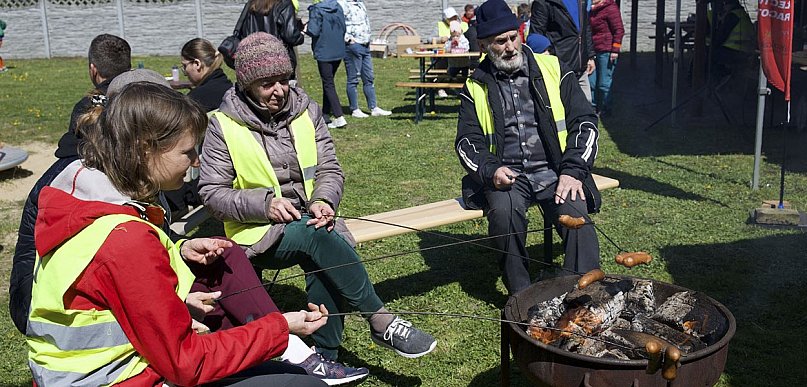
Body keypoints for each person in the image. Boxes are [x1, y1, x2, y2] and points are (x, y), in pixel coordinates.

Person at [27, 80, 331, 387]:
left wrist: (178, 302)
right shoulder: (125, 238)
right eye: (187, 152)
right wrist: (281, 326)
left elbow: (105, 300)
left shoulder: (82, 198)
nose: (196, 161)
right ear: (145, 149)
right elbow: (188, 364)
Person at [198, 32, 438, 361]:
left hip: (311, 221)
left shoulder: (306, 110)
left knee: (321, 245)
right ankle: (380, 320)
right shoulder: (222, 125)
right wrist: (265, 204)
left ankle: (326, 358)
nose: (279, 91)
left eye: (284, 79)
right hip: (256, 233)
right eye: (268, 83)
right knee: (319, 236)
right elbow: (211, 194)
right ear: (247, 83)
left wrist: (323, 200)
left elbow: (329, 169)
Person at [455, 0, 601, 295]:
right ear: (483, 45)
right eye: (500, 42)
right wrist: (491, 169)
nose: (510, 47)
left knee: (578, 219)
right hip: (509, 179)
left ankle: (579, 293)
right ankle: (522, 296)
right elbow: (467, 141)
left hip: (556, 172)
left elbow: (585, 122)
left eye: (513, 37)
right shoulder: (475, 86)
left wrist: (573, 171)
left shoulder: (554, 68)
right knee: (503, 214)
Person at [9, 33, 131, 335]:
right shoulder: (96, 183)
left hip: (36, 312)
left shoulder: (56, 180)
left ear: (93, 69)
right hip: (63, 328)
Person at [54, 34, 131, 159]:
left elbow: (70, 152)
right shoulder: (143, 97)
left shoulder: (87, 106)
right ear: (129, 67)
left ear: (93, 69)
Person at [530, 0, 597, 102]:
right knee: (564, 112)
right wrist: (549, 53)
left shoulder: (580, 1)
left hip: (581, 68)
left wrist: (590, 55)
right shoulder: (544, 2)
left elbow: (585, 28)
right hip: (560, 70)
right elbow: (536, 34)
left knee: (587, 107)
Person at [337, 0, 393, 118]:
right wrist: (348, 39)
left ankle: (373, 107)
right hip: (353, 46)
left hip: (365, 44)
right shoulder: (342, 4)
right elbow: (338, 24)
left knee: (369, 77)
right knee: (353, 78)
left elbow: (365, 22)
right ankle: (355, 109)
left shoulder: (360, 3)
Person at [307, 0, 348, 129]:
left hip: (324, 51)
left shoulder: (316, 9)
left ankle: (339, 116)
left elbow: (313, 30)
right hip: (338, 50)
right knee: (328, 81)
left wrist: (304, 28)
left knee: (328, 83)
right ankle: (325, 114)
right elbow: (344, 28)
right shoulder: (338, 6)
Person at [242, 0, 305, 78]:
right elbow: (291, 36)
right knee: (281, 87)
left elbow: (242, 32)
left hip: (254, 59)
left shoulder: (252, 3)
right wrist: (301, 34)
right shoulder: (284, 3)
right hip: (279, 59)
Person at [587, 0, 624, 116]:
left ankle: (605, 107)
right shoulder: (590, 10)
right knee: (591, 81)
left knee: (604, 83)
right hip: (592, 50)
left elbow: (619, 30)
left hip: (606, 51)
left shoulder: (610, 8)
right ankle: (591, 107)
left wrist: (615, 50)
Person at [181, 38, 234, 112]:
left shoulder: (196, 99)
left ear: (197, 64)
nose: (185, 73)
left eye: (185, 66)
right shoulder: (229, 88)